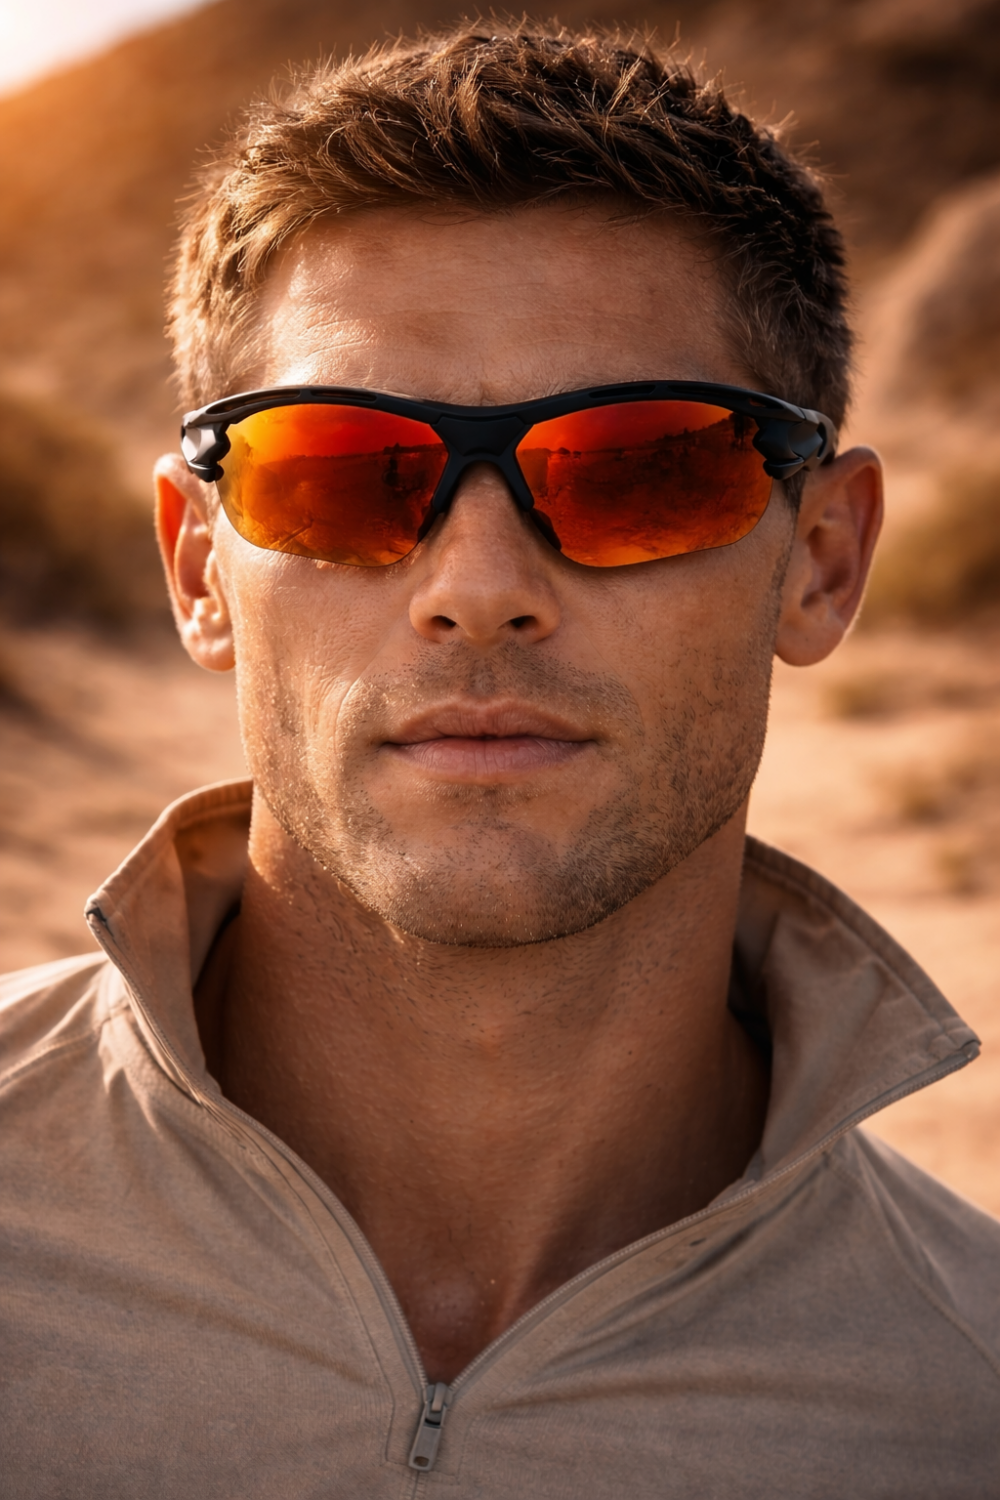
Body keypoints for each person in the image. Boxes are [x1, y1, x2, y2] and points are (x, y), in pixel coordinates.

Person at [1, 25, 997, 1497]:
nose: (475, 584)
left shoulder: (962, 1405)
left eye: (644, 465)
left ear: (825, 560)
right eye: (335, 466)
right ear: (201, 566)